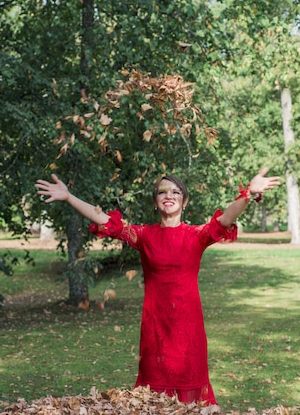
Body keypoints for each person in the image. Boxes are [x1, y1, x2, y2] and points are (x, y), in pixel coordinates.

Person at [34, 168, 281, 405]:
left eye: (175, 192)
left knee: (191, 400)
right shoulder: (144, 236)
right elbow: (105, 220)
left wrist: (248, 193)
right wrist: (68, 196)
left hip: (189, 329)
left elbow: (227, 218)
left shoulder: (197, 235)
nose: (169, 196)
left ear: (184, 202)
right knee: (152, 399)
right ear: (155, 202)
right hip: (155, 330)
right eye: (163, 192)